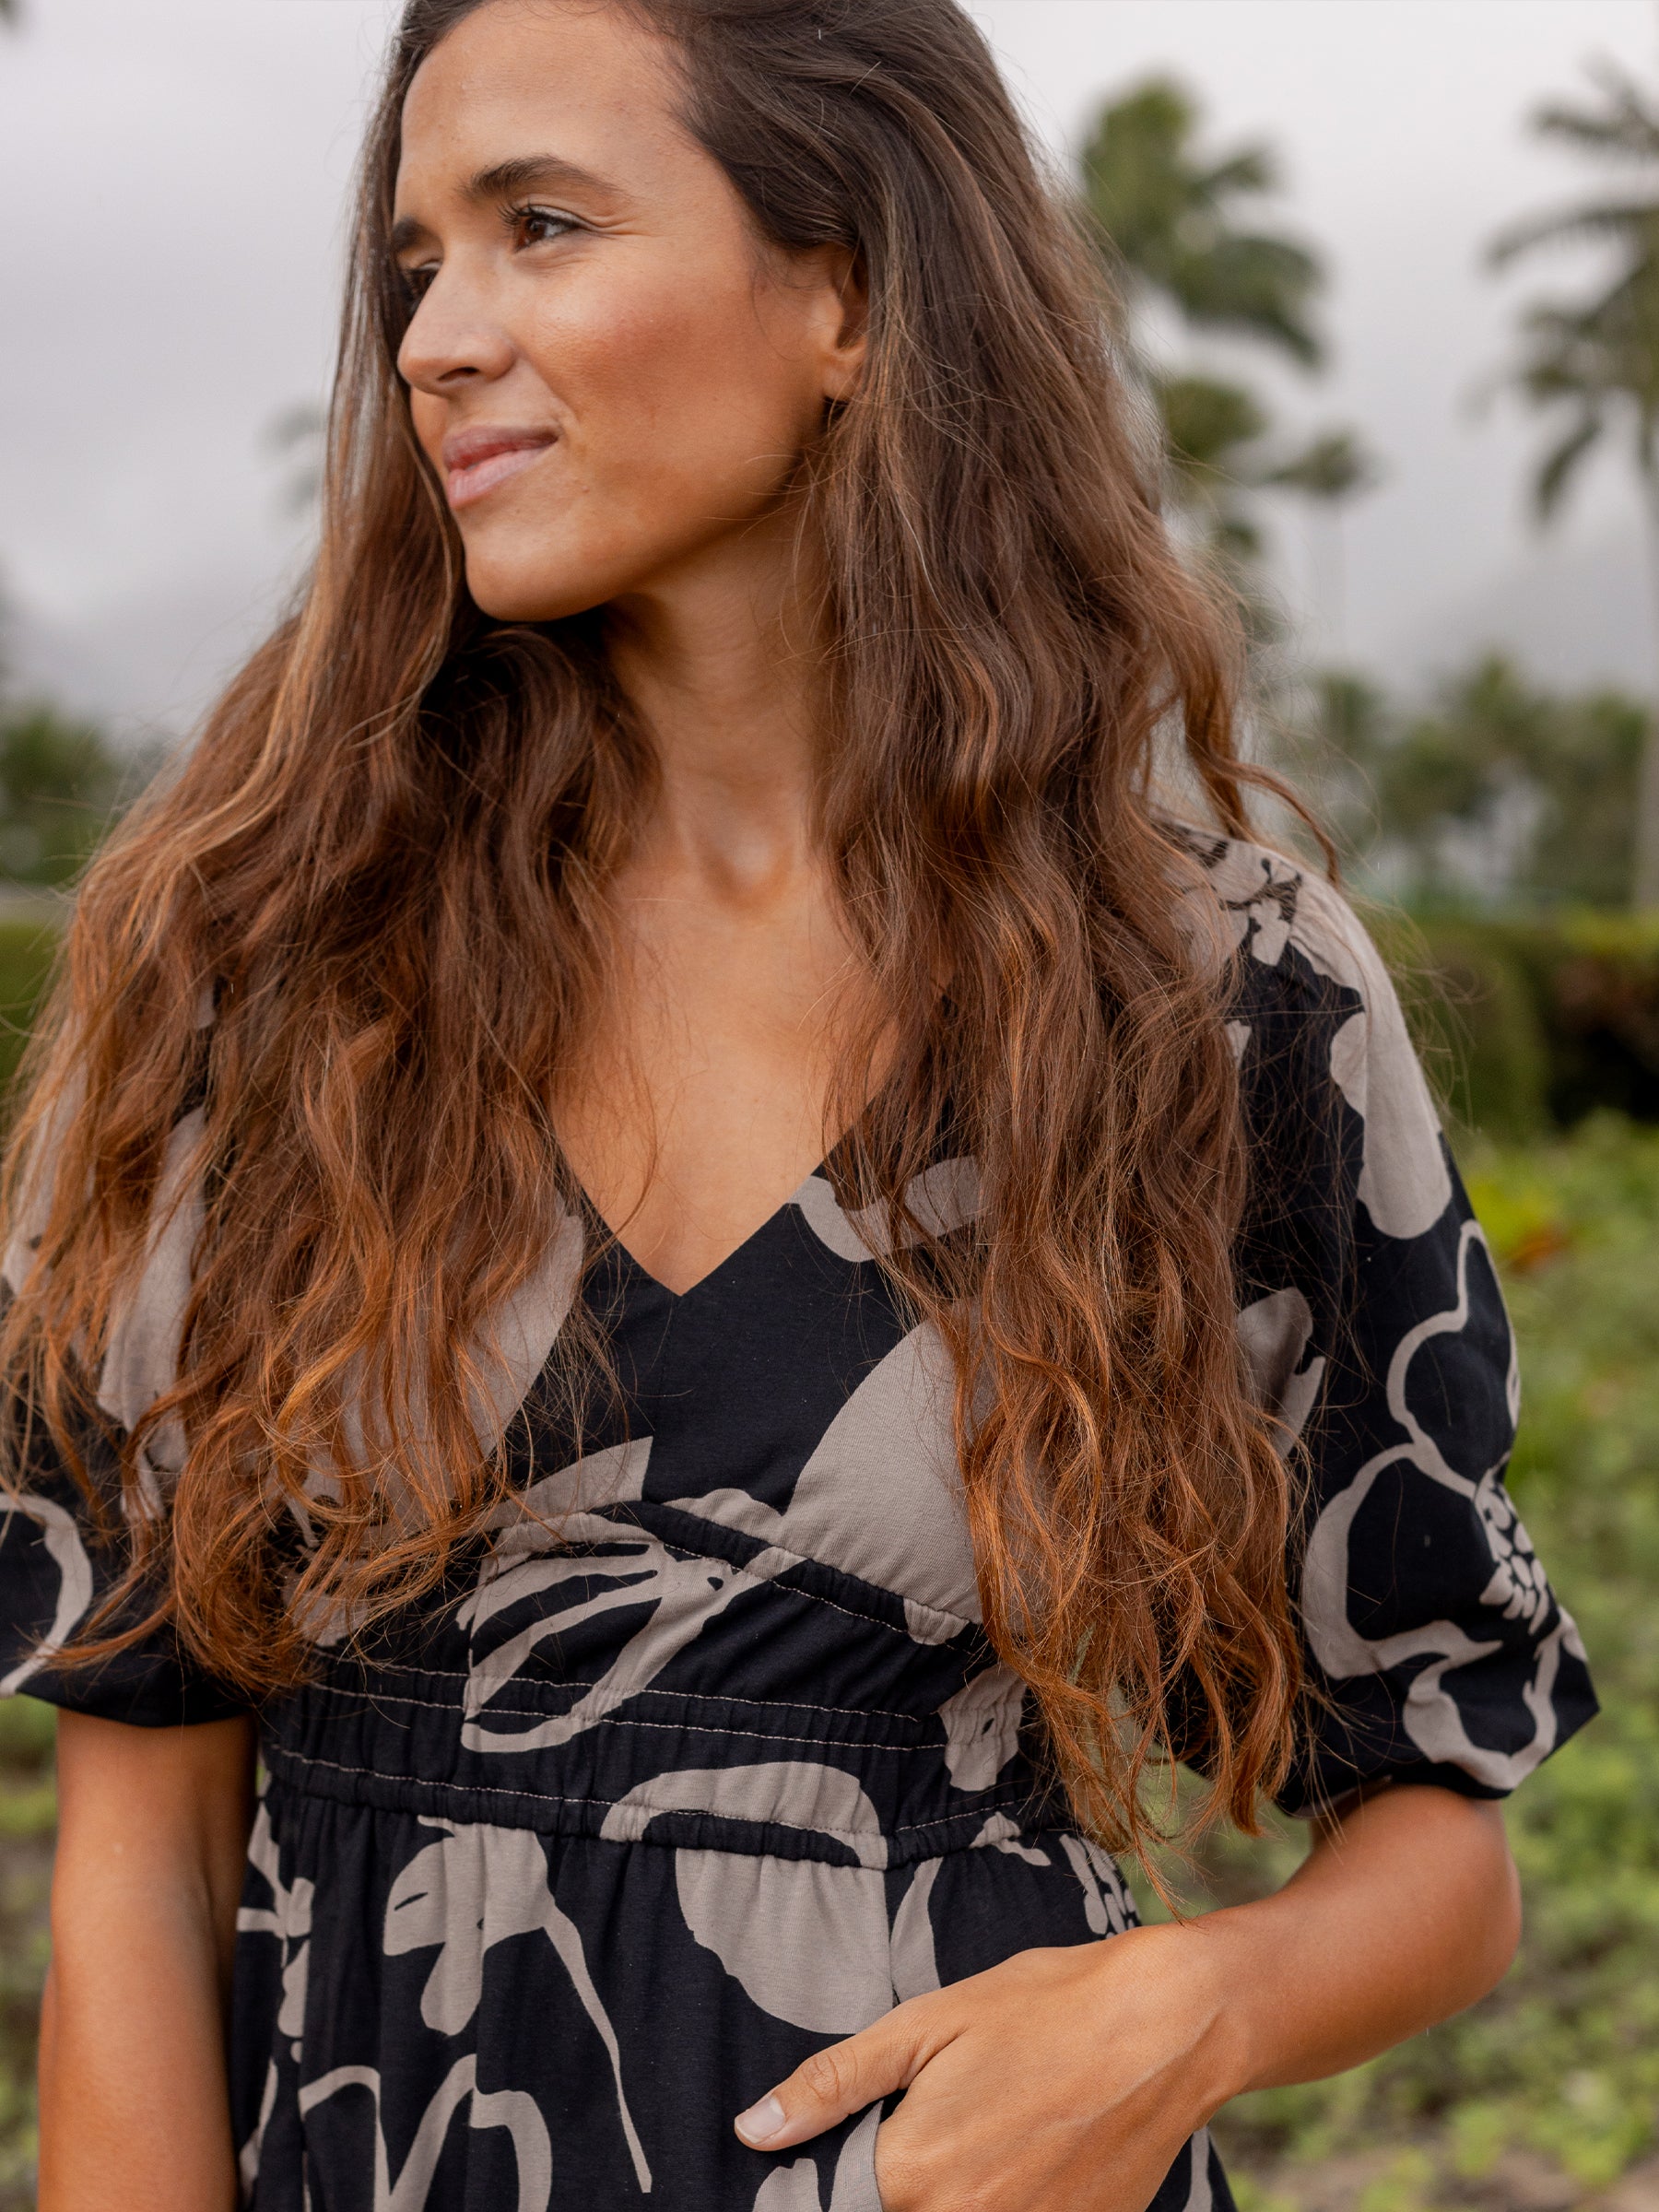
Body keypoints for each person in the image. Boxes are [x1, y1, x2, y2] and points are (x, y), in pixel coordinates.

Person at [0, 3, 1595, 2208]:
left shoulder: (1216, 1001)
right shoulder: (271, 974)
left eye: (539, 226)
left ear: (843, 291)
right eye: (413, 270)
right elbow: (135, 1873)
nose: (441, 339)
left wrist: (1199, 2003)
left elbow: (1444, 1832)